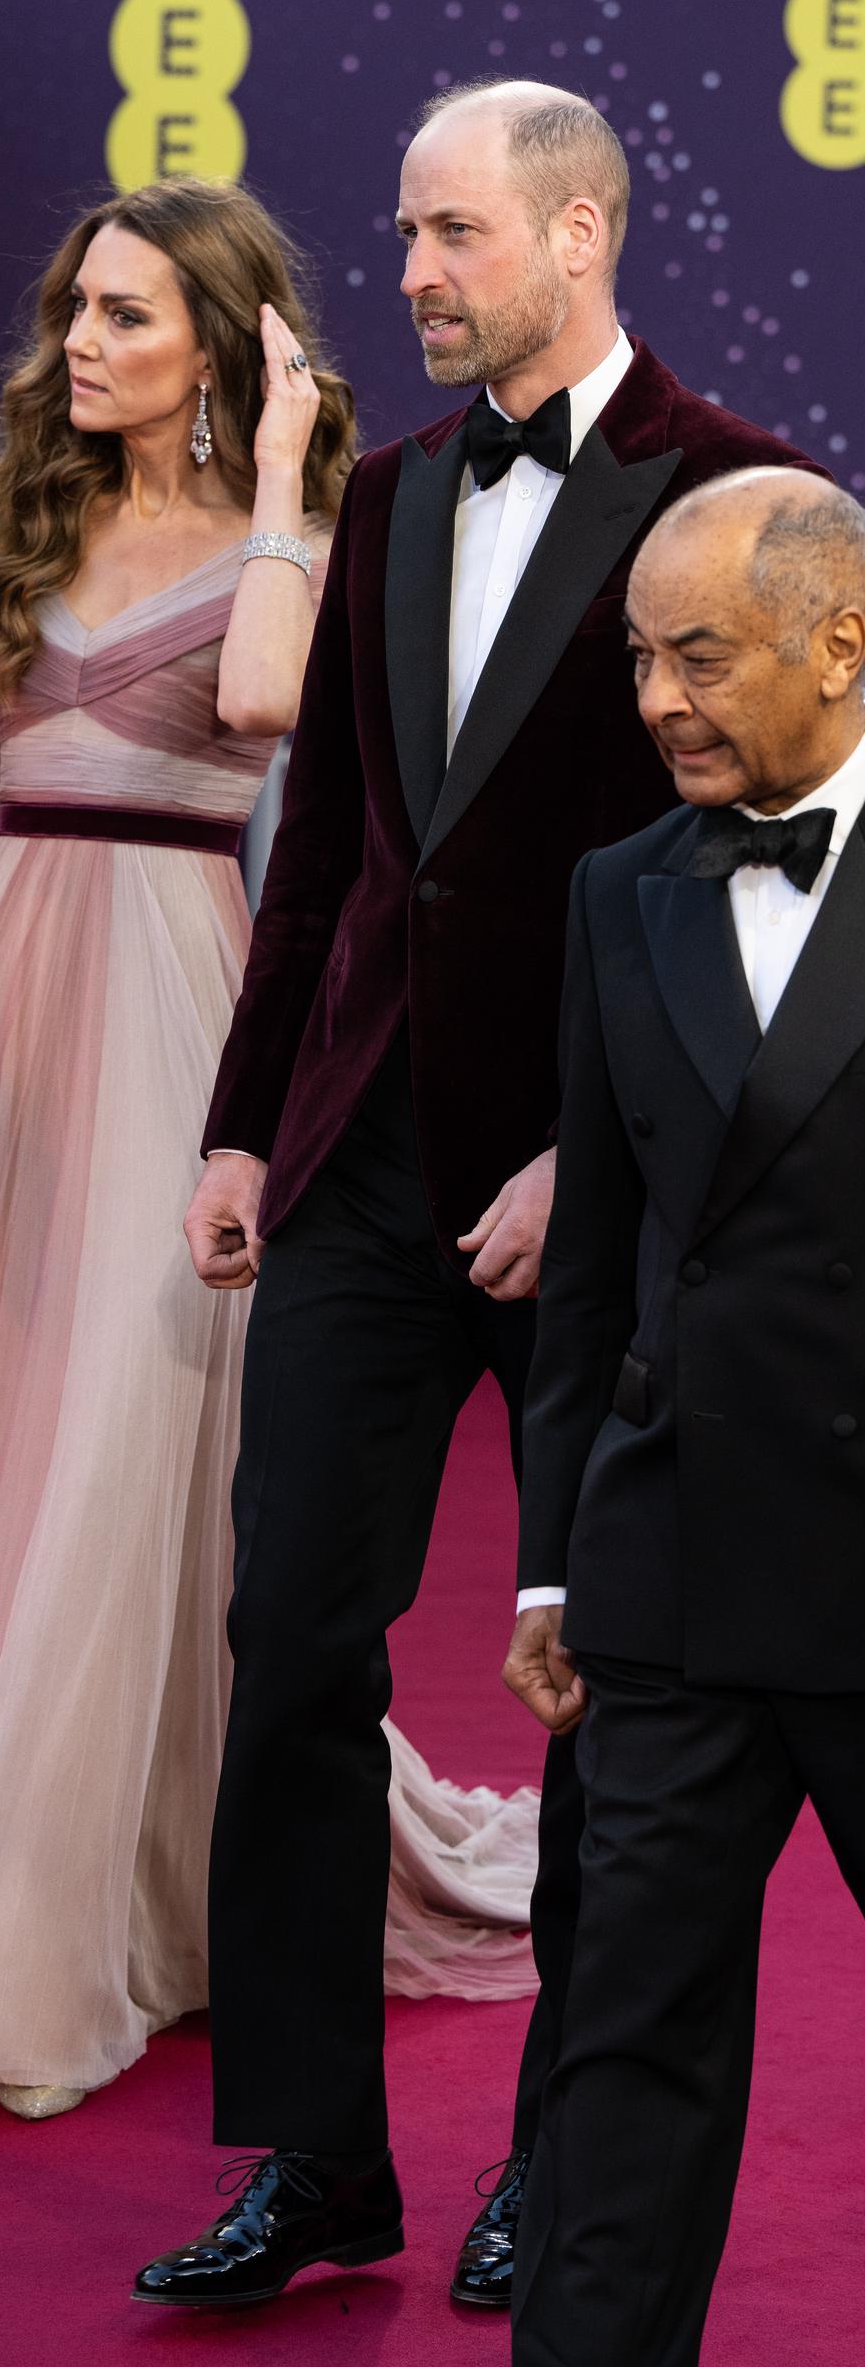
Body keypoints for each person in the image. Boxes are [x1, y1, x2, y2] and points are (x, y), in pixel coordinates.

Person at [134, 80, 816, 2312]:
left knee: (609, 1699)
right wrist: (245, 1120)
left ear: (575, 231)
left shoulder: (735, 505)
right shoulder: (396, 493)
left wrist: (580, 1151)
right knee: (289, 1649)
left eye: (444, 235)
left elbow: (740, 895)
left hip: (613, 1207)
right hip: (358, 1170)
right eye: (406, 236)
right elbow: (325, 842)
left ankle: (560, 2160)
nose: (405, 274)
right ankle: (318, 2153)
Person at [0, 179, 539, 2125]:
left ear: (216, 344)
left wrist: (289, 466)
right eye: (69, 316)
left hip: (172, 1010)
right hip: (4, 1022)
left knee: (125, 1460)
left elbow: (274, 706)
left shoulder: (304, 528)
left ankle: (32, 1946)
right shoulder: (22, 520)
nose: (74, 349)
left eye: (121, 316)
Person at [506, 471, 865, 2363]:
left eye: (699, 656)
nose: (659, 701)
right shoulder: (618, 890)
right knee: (622, 2065)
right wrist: (549, 1569)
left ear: (840, 642)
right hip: (670, 1581)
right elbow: (595, 1275)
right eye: (640, 660)